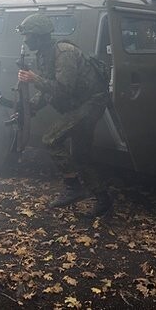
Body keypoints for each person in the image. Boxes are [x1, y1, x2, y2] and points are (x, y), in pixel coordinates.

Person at [16, 13, 112, 217]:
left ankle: (73, 187)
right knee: (81, 155)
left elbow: (62, 89)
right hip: (78, 104)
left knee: (51, 138)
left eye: (29, 35)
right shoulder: (44, 53)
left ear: (40, 36)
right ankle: (103, 200)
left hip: (90, 104)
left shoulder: (64, 52)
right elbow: (48, 89)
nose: (25, 40)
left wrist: (34, 79)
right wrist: (30, 107)